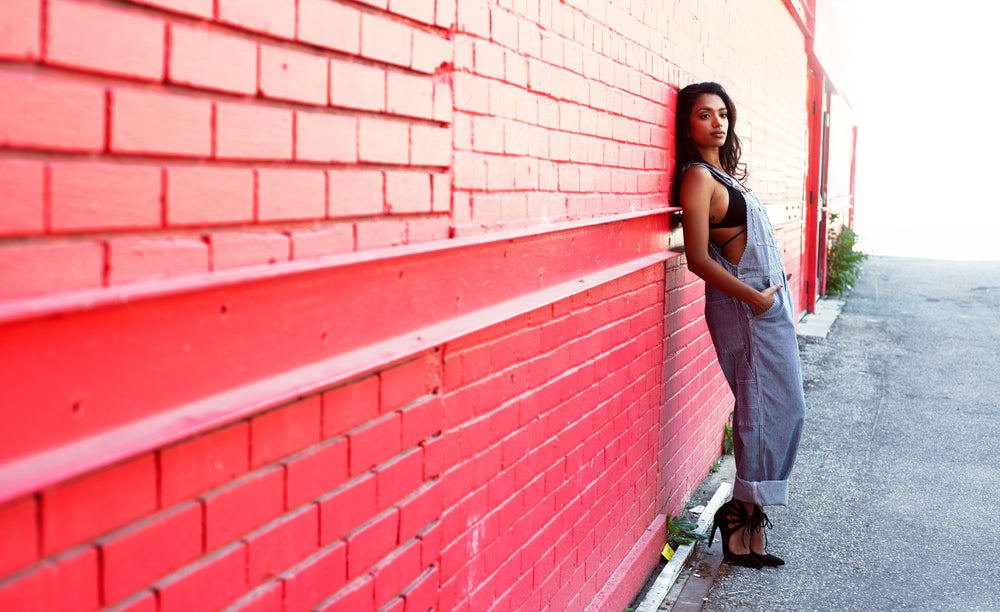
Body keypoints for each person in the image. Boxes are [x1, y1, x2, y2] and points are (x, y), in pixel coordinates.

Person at [674, 82, 806, 568]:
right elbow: (696, 259)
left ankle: (747, 516)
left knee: (783, 409)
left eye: (722, 113)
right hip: (748, 311)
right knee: (763, 408)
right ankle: (738, 521)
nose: (717, 122)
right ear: (687, 126)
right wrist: (754, 298)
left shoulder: (723, 175)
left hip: (768, 310)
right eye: (704, 114)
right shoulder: (698, 179)